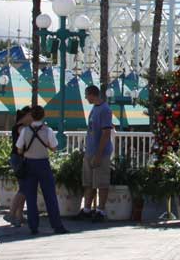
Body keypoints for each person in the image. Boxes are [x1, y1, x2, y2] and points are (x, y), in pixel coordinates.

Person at [15, 105, 68, 235]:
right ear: (43, 116)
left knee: (31, 196)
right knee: (50, 195)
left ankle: (33, 226)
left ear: (31, 116)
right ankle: (57, 225)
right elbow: (54, 148)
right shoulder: (48, 130)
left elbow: (19, 149)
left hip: (29, 164)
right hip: (43, 163)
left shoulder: (25, 131)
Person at [75, 85, 114, 222]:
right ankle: (87, 209)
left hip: (100, 153)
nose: (86, 98)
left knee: (101, 182)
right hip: (90, 150)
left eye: (86, 95)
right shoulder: (95, 109)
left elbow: (106, 133)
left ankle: (101, 210)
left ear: (92, 94)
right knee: (89, 182)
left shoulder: (105, 110)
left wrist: (99, 154)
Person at [4, 106, 33, 227]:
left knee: (24, 187)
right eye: (31, 116)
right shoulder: (21, 128)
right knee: (24, 188)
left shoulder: (19, 126)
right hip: (19, 158)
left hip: (19, 158)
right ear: (26, 116)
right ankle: (11, 213)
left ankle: (19, 215)